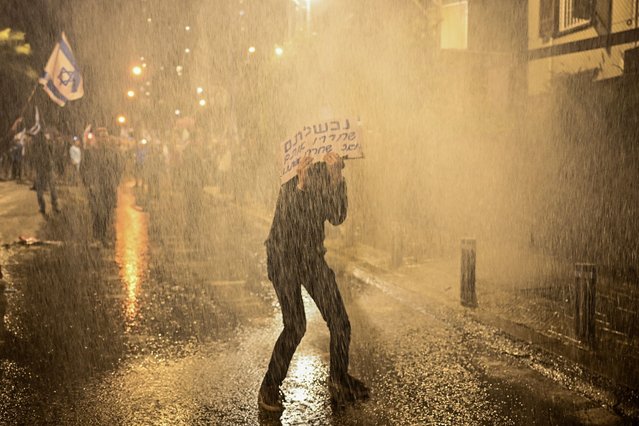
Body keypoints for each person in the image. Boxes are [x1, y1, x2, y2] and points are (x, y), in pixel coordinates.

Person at [258, 152, 369, 413]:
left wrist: (335, 177)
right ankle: (269, 387)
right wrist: (301, 183)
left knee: (340, 322)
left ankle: (339, 379)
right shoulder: (294, 173)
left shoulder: (333, 174)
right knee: (295, 325)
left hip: (311, 257)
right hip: (283, 257)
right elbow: (286, 218)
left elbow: (337, 216)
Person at [81, 128, 123, 244]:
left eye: (106, 136)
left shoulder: (113, 152)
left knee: (107, 212)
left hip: (109, 186)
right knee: (98, 211)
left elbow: (119, 168)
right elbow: (84, 169)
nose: (104, 138)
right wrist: (89, 183)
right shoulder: (90, 152)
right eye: (101, 136)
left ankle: (102, 235)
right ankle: (97, 236)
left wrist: (115, 182)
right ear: (97, 138)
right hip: (96, 187)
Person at [30, 129, 59, 215]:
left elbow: (34, 158)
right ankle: (54, 206)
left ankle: (43, 207)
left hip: (43, 169)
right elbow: (52, 155)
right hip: (46, 168)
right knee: (51, 188)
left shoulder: (35, 146)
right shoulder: (46, 144)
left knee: (42, 189)